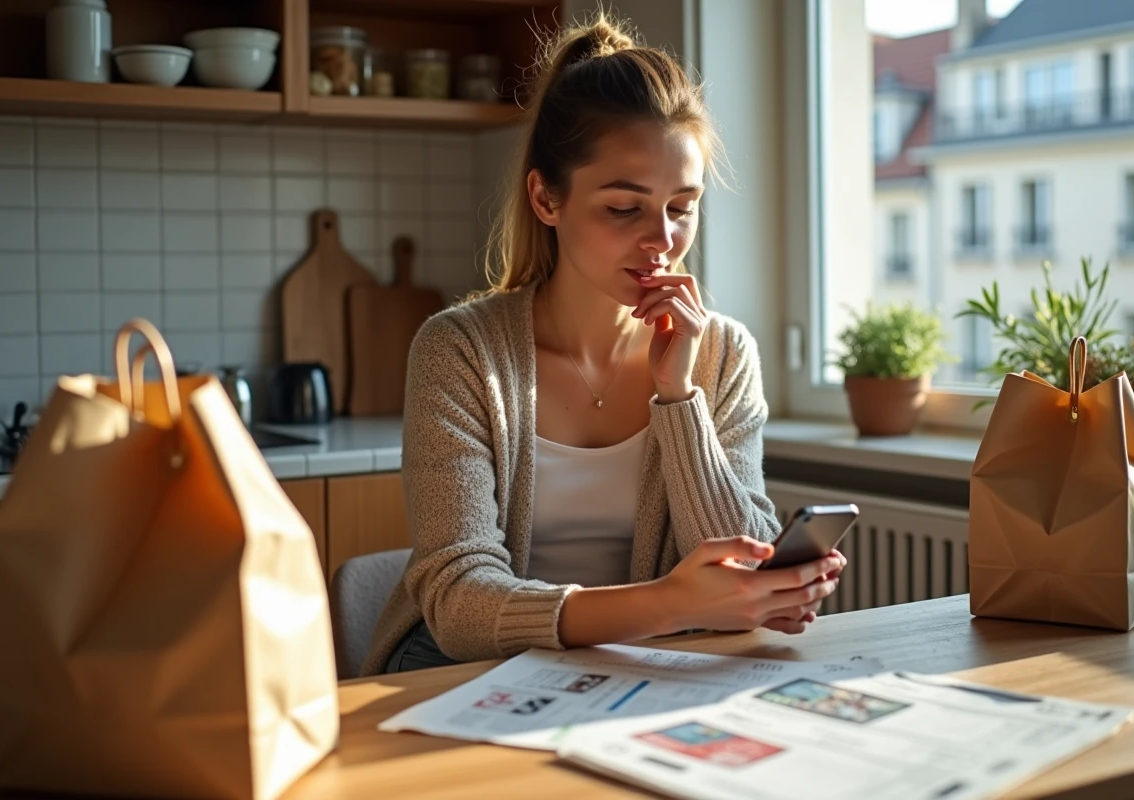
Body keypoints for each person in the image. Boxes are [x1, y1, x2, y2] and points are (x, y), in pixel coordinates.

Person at [361, 12, 844, 676]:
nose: (663, 240)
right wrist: (666, 605)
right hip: (463, 668)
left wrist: (679, 396)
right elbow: (459, 604)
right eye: (625, 208)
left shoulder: (722, 352)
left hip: (640, 668)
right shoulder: (459, 351)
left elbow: (741, 563)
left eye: (683, 206)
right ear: (546, 198)